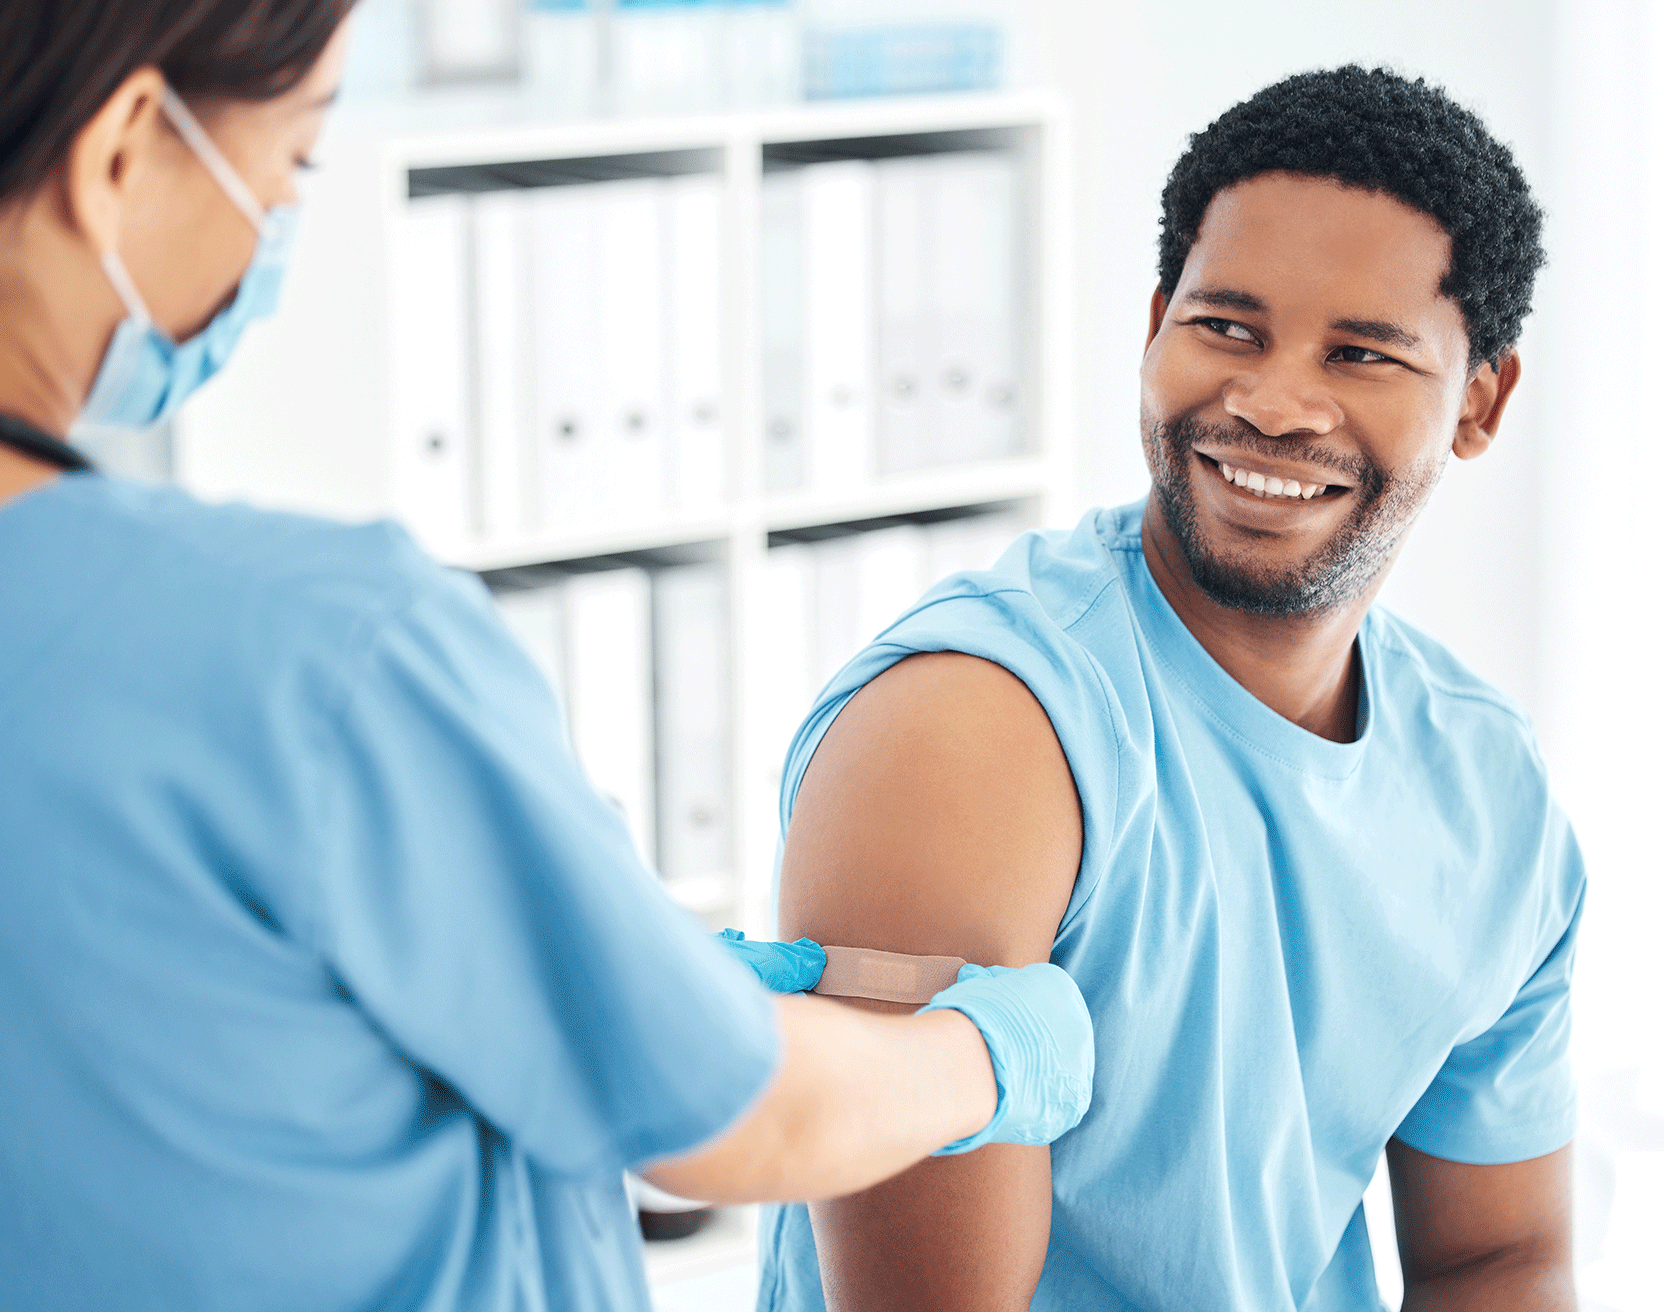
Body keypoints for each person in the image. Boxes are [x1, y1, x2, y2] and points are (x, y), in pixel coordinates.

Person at [0, 4, 1096, 1310]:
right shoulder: (321, 652)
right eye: (292, 161)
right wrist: (987, 1055)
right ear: (125, 147)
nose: (280, 220)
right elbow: (734, 1122)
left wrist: (618, 978)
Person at [761, 66, 1583, 1312]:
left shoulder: (1488, 792)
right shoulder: (964, 738)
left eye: (1359, 352)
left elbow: (1496, 1259)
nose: (1271, 403)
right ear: (1155, 325)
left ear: (1478, 400)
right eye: (1227, 328)